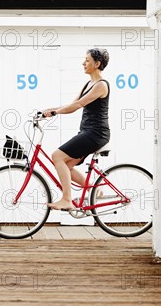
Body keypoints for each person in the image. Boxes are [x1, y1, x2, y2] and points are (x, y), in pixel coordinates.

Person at [42, 48, 111, 211]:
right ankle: (95, 189)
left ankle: (67, 199)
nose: (83, 63)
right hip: (88, 132)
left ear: (97, 63)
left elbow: (78, 105)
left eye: (87, 60)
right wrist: (50, 110)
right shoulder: (89, 84)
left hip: (96, 133)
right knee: (66, 165)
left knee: (57, 156)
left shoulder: (101, 85)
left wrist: (55, 112)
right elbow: (72, 103)